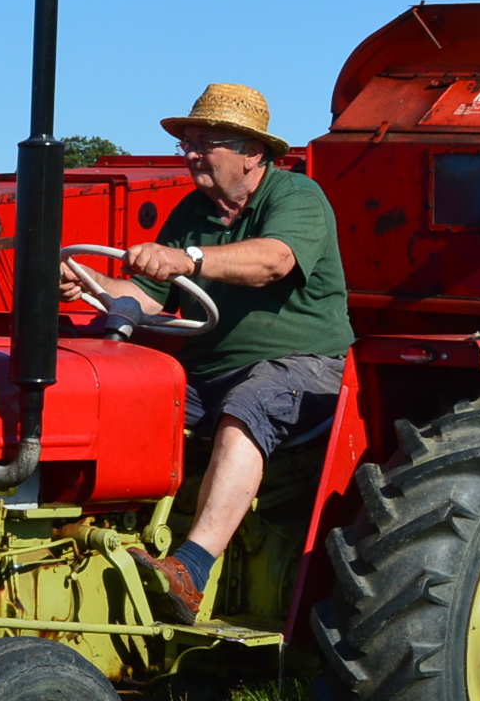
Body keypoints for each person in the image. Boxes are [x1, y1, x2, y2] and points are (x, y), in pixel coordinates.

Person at [63, 82, 352, 622]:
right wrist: (88, 282)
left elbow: (273, 262)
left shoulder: (295, 197)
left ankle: (191, 568)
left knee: (252, 402)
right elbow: (146, 301)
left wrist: (187, 259)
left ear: (252, 153)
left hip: (307, 369)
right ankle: (96, 536)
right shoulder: (192, 211)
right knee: (134, 395)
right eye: (188, 142)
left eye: (206, 142)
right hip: (207, 371)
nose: (192, 153)